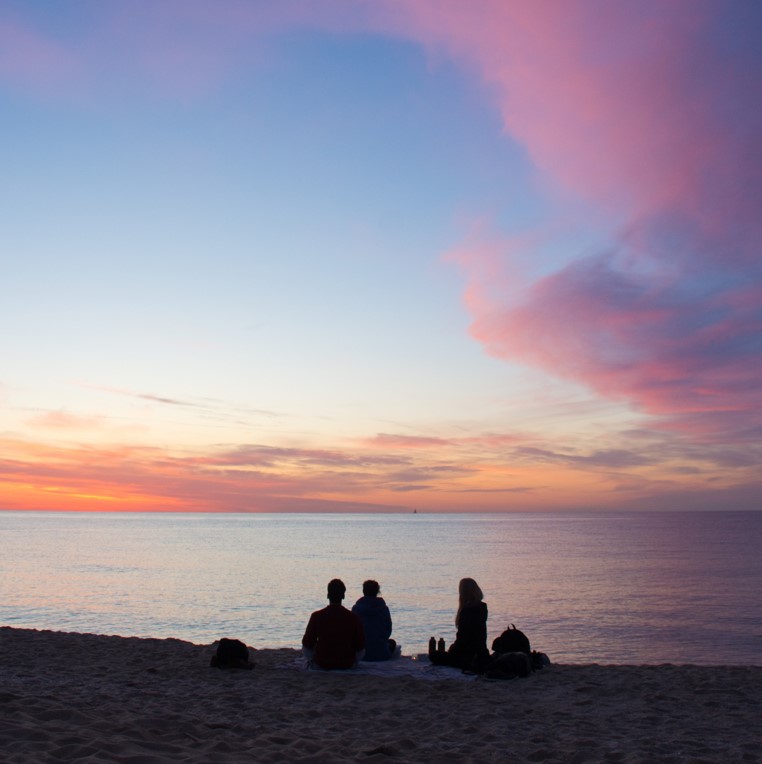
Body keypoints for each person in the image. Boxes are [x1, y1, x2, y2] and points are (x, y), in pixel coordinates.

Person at [302, 578, 365, 670]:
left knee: (307, 647)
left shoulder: (316, 616)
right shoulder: (353, 617)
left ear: (328, 595)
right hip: (346, 663)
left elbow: (307, 643)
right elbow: (360, 646)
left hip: (321, 663)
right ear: (343, 596)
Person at [429, 577, 489, 671]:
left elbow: (463, 638)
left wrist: (453, 649)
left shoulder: (467, 611)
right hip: (481, 653)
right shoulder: (482, 607)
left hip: (466, 656)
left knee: (433, 655)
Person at [351, 580, 397, 661]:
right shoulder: (384, 608)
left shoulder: (356, 609)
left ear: (363, 591)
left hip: (362, 654)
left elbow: (352, 632)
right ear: (377, 592)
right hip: (382, 653)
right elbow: (388, 631)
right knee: (392, 643)